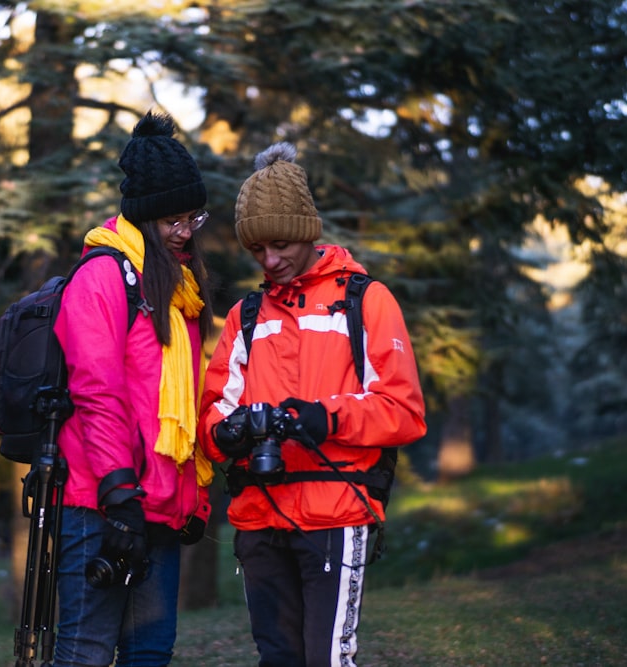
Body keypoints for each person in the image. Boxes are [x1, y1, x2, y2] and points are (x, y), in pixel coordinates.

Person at [197, 142, 427, 667]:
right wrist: (230, 433)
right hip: (257, 518)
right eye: (257, 251)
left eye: (279, 245)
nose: (269, 260)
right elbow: (211, 419)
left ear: (306, 233)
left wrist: (324, 418)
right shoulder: (245, 316)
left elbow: (405, 412)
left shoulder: (366, 300)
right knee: (278, 658)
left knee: (326, 659)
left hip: (336, 514)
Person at [52, 111, 214, 667]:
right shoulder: (102, 277)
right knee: (85, 654)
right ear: (144, 219)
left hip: (161, 507)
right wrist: (119, 495)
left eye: (194, 216)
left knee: (150, 653)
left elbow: (179, 406)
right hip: (101, 504)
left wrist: (191, 498)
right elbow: (97, 395)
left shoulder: (179, 290)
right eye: (173, 220)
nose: (186, 230)